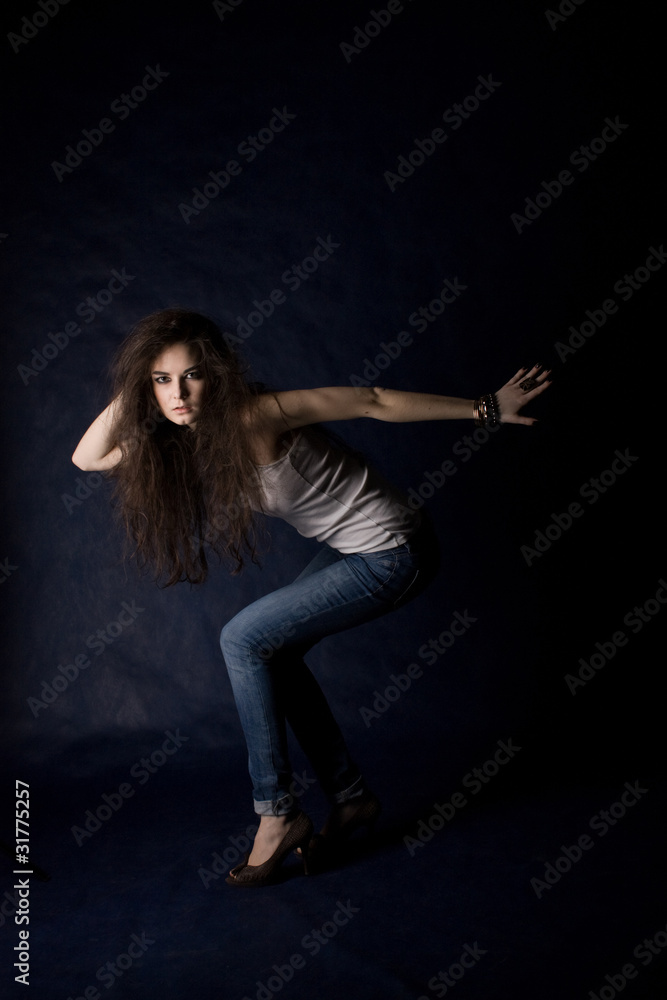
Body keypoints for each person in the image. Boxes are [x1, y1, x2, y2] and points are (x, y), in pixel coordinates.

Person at [72, 307, 551, 887]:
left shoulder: (257, 413)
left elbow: (371, 399)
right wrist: (135, 386)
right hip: (356, 550)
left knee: (241, 639)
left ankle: (277, 813)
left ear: (215, 373)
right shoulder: (187, 439)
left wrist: (485, 407)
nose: (178, 393)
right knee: (272, 653)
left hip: (396, 550)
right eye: (162, 380)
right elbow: (89, 458)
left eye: (192, 375)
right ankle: (351, 798)